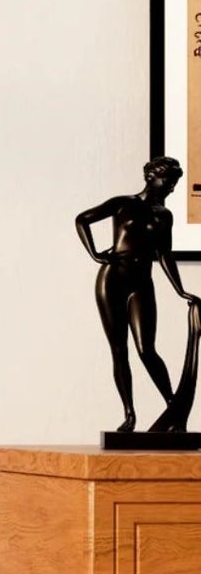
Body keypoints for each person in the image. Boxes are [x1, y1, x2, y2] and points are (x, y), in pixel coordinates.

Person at [76, 156, 199, 433]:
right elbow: (82, 220)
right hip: (113, 279)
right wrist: (95, 254)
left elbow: (164, 254)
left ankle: (173, 407)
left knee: (147, 350)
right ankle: (129, 415)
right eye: (168, 180)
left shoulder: (163, 215)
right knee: (120, 350)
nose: (172, 186)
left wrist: (180, 291)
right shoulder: (122, 203)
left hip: (142, 282)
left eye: (175, 182)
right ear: (151, 177)